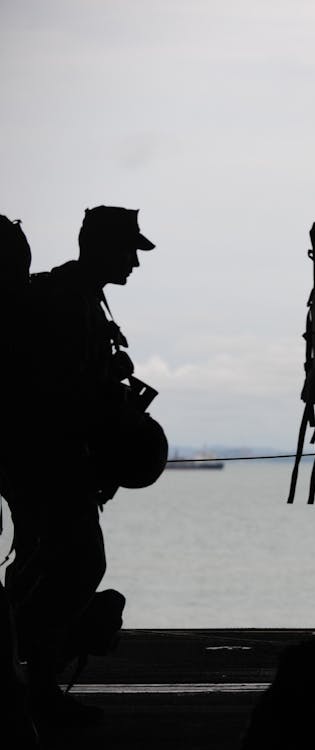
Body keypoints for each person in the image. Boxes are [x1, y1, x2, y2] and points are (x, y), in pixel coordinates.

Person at [2, 206, 154, 727]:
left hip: (43, 461)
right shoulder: (69, 301)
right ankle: (39, 688)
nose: (135, 260)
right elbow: (62, 393)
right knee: (79, 564)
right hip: (49, 461)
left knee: (42, 567)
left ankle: (28, 685)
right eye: (129, 249)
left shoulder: (80, 297)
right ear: (101, 247)